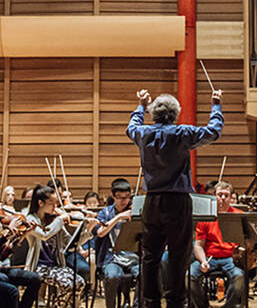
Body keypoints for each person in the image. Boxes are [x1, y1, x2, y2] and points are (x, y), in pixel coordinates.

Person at [128, 87, 225, 308]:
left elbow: (131, 126)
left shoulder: (143, 134)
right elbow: (214, 131)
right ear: (175, 114)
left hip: (152, 201)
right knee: (178, 256)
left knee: (150, 256)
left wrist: (141, 106)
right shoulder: (182, 133)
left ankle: (150, 302)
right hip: (177, 202)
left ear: (154, 114)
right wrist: (216, 104)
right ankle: (175, 303)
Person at [23, 185, 85, 307]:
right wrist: (60, 220)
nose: (56, 207)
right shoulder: (31, 220)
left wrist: (87, 230)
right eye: (52, 203)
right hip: (39, 266)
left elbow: (70, 243)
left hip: (56, 266)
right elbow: (44, 235)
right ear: (40, 203)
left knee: (80, 283)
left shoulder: (54, 220)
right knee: (68, 284)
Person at [190, 182, 247, 308]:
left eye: (226, 195)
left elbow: (247, 241)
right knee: (189, 277)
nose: (222, 198)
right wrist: (203, 260)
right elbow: (199, 245)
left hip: (231, 259)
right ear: (214, 196)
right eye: (219, 195)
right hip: (210, 258)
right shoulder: (207, 216)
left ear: (231, 197)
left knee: (239, 278)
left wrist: (242, 249)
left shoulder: (239, 215)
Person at [93, 179, 139, 308]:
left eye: (127, 197)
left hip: (133, 257)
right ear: (113, 196)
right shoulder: (105, 213)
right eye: (119, 197)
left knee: (145, 274)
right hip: (112, 258)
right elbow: (100, 233)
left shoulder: (135, 213)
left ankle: (136, 305)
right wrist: (118, 217)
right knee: (112, 277)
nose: (124, 201)